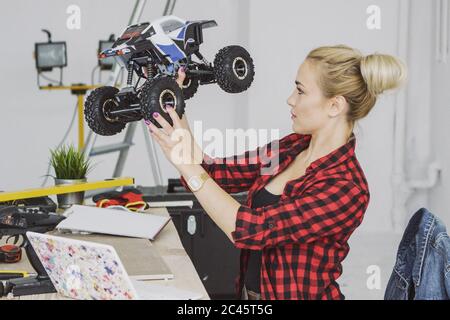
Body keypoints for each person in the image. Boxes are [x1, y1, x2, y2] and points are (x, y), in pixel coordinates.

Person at [145, 44, 406, 300]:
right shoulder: (291, 147)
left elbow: (250, 230)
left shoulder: (346, 188)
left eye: (301, 91)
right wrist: (173, 105)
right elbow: (216, 174)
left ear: (335, 106)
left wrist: (186, 165)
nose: (290, 99)